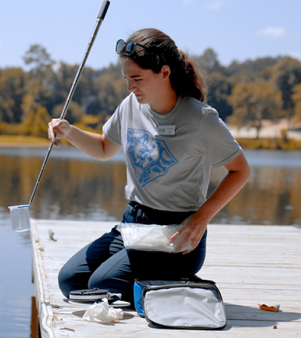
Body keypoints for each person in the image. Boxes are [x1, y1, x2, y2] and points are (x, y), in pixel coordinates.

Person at [48, 28, 251, 304]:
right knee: (70, 281)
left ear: (164, 72)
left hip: (176, 233)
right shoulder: (131, 105)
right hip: (133, 224)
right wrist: (68, 131)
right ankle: (159, 282)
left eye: (137, 79)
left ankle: (184, 283)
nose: (131, 87)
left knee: (102, 284)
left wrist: (201, 219)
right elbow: (105, 147)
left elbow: (240, 170)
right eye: (127, 79)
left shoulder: (201, 118)